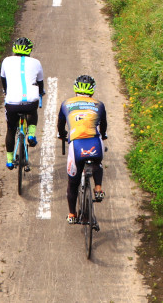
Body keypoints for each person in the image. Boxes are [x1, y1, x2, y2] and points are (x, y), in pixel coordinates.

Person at [58, 75, 107, 224]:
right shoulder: (99, 104)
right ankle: (98, 188)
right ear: (92, 91)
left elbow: (60, 125)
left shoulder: (66, 103)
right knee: (97, 163)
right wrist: (103, 136)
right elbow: (103, 125)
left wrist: (62, 135)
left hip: (76, 144)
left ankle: (72, 214)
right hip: (94, 142)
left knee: (72, 183)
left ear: (75, 89)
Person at [0, 37, 45, 170]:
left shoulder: (6, 61)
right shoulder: (36, 62)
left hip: (12, 103)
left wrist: (7, 92)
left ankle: (9, 160)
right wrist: (41, 93)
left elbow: (4, 80)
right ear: (29, 50)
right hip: (30, 102)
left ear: (14, 49)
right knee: (32, 110)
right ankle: (31, 134)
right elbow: (40, 83)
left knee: (11, 129)